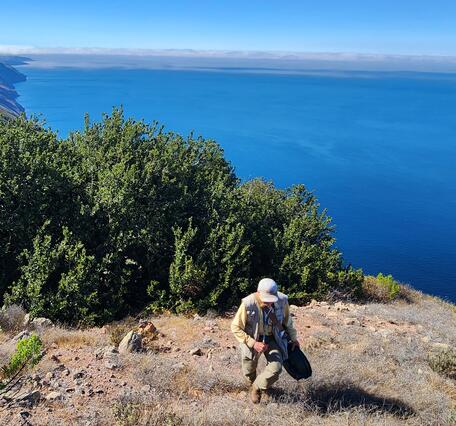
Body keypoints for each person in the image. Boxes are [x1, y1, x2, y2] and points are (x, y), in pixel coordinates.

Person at [231, 278, 300, 403]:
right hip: (252, 337)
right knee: (249, 369)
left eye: (271, 300)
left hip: (273, 337)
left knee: (276, 368)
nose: (268, 303)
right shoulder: (248, 303)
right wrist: (253, 343)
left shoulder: (282, 300)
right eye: (266, 300)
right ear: (258, 292)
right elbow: (235, 327)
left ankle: (257, 388)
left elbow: (287, 322)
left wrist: (294, 339)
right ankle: (252, 384)